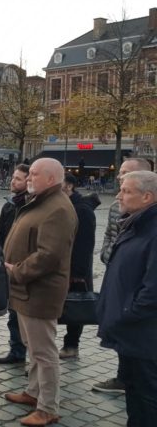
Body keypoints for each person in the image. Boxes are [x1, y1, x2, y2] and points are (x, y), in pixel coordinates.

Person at [3, 158, 77, 426]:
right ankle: (33, 392)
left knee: (44, 352)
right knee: (32, 348)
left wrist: (17, 271)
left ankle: (48, 407)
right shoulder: (41, 201)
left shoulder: (57, 208)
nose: (29, 177)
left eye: (34, 174)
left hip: (40, 291)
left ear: (51, 179)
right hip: (26, 290)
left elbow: (49, 256)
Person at [97, 171, 157, 426]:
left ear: (147, 197)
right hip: (132, 331)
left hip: (144, 333)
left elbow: (152, 289)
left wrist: (127, 314)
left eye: (126, 191)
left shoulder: (151, 229)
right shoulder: (134, 222)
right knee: (134, 393)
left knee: (147, 397)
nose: (119, 196)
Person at [59, 174, 99, 359]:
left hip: (76, 269)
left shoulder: (82, 209)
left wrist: (78, 273)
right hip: (63, 266)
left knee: (76, 304)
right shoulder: (64, 205)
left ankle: (71, 345)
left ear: (69, 186)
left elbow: (85, 244)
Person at [0, 164, 30, 365]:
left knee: (25, 314)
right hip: (7, 265)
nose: (13, 182)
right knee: (13, 312)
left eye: (18, 179)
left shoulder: (31, 205)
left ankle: (28, 353)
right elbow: (0, 234)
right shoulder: (9, 205)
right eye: (13, 178)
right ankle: (16, 351)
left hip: (24, 266)